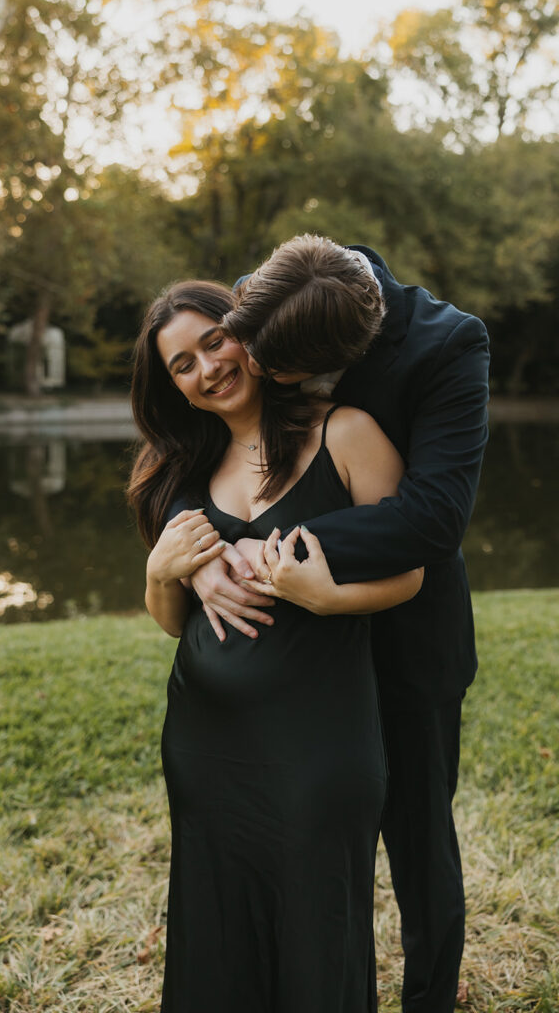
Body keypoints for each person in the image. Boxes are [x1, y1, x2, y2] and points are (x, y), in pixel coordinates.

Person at [187, 236, 490, 1013]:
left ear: (337, 358)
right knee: (306, 836)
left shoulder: (448, 345)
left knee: (420, 844)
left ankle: (428, 999)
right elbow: (207, 436)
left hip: (406, 634)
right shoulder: (267, 291)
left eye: (271, 365)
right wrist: (200, 546)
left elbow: (432, 519)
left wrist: (271, 545)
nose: (246, 366)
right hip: (300, 657)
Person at [128, 280, 423, 1012]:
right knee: (219, 928)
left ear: (248, 334)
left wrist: (324, 597)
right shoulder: (182, 470)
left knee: (317, 923)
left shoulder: (346, 433)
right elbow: (170, 621)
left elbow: (409, 572)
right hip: (204, 741)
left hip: (319, 735)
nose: (206, 368)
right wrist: (161, 571)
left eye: (213, 341)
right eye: (181, 365)